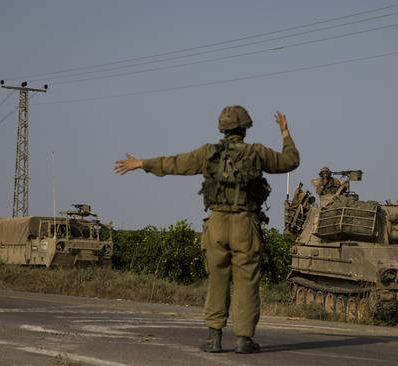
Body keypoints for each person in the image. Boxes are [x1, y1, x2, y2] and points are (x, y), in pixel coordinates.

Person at [114, 105, 299, 354]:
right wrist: (285, 133)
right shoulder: (258, 153)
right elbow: (291, 161)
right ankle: (244, 340)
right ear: (245, 128)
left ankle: (214, 338)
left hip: (216, 223)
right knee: (246, 280)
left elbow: (175, 163)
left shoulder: (207, 154)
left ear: (222, 128)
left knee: (217, 279)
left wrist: (141, 163)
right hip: (245, 223)